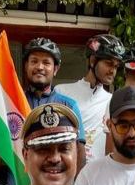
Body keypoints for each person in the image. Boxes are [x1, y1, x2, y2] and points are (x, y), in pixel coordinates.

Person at [57, 33, 125, 161]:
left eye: (116, 66)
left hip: (98, 174)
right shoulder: (62, 91)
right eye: (109, 63)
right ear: (93, 61)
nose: (113, 71)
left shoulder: (113, 100)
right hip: (67, 169)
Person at [21, 37, 86, 170]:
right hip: (16, 184)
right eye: (34, 61)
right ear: (26, 66)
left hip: (54, 178)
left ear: (55, 69)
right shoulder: (13, 101)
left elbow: (79, 150)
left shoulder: (69, 106)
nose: (39, 67)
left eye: (46, 62)